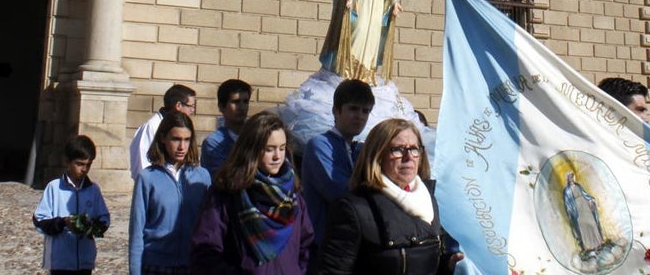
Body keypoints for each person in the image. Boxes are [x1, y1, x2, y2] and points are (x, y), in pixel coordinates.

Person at [315, 118, 464, 275]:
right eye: (398, 149)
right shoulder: (353, 208)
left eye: (414, 149)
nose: (409, 157)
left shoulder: (428, 200)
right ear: (377, 155)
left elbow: (426, 263)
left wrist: (449, 265)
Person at [191, 111, 316, 274]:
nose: (277, 156)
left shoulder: (293, 195)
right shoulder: (227, 193)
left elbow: (307, 246)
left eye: (282, 148)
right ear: (251, 150)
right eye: (269, 149)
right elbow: (205, 251)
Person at [128, 112, 212, 275]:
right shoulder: (147, 178)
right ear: (163, 138)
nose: (182, 147)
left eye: (186, 140)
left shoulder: (202, 177)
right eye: (176, 139)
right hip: (156, 265)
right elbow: (137, 231)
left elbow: (208, 226)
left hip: (192, 264)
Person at [302, 79, 375, 245]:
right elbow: (341, 194)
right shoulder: (320, 145)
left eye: (366, 111)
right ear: (336, 111)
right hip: (324, 245)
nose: (360, 116)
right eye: (353, 109)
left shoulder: (360, 149)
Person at [33, 134, 111, 275]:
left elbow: (104, 217)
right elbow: (39, 220)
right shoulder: (54, 188)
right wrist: (63, 222)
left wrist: (91, 226)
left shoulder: (93, 190)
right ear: (67, 162)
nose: (84, 169)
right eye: (80, 164)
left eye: (88, 165)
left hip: (85, 261)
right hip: (60, 261)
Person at [130, 84, 197, 179]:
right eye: (191, 106)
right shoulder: (151, 127)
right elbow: (141, 164)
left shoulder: (184, 127)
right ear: (178, 105)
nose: (192, 111)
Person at [202, 78, 253, 175]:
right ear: (221, 106)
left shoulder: (256, 134)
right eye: (236, 102)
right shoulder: (213, 143)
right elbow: (224, 178)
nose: (242, 107)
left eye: (245, 101)